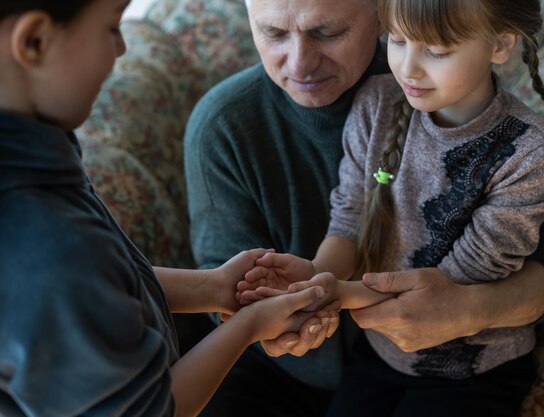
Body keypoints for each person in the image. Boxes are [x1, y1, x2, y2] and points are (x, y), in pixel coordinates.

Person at [184, 0, 544, 416]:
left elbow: (518, 261)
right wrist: (312, 281)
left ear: (374, 16)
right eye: (273, 33)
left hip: (467, 370)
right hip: (339, 365)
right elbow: (343, 223)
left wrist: (334, 293)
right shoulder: (368, 106)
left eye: (327, 32)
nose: (301, 64)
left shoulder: (514, 142)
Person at [0, 2, 335, 416]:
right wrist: (250, 325)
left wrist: (213, 288)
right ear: (34, 42)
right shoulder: (47, 245)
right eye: (111, 28)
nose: (122, 48)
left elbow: (105, 284)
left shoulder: (37, 154)